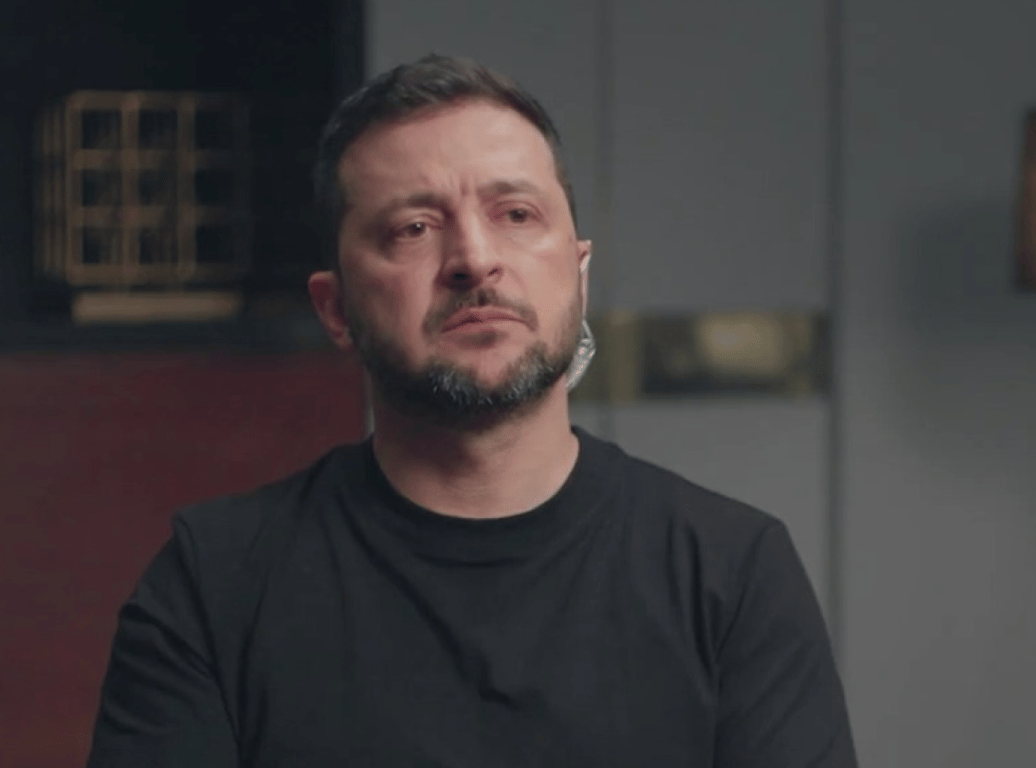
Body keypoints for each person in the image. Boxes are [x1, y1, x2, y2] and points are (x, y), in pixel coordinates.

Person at [85, 55, 857, 768]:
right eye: (414, 228)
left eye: (515, 214)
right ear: (336, 308)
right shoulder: (213, 585)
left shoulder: (731, 573)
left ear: (579, 274)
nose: (475, 260)